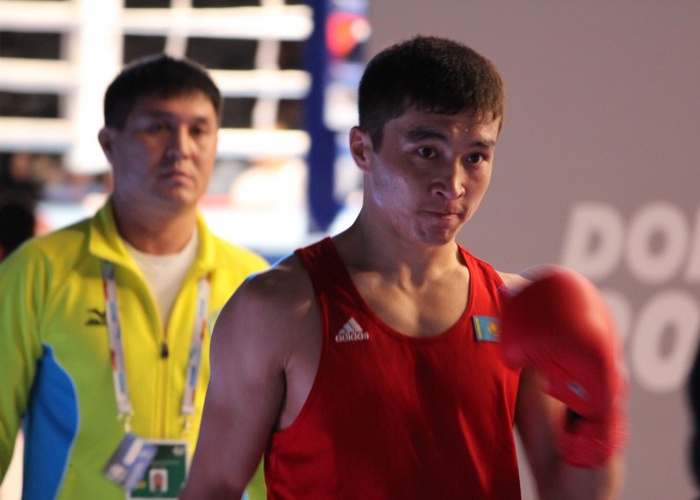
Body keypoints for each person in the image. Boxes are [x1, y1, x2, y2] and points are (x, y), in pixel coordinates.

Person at [181, 35, 627, 499]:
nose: (453, 184)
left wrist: (599, 418)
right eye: (427, 151)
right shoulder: (277, 309)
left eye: (475, 157)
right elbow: (213, 489)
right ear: (362, 149)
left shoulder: (510, 310)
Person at [0, 54, 269, 499]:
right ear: (109, 144)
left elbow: (274, 456)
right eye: (157, 127)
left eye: (198, 130)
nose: (181, 148)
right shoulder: (38, 273)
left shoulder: (253, 286)